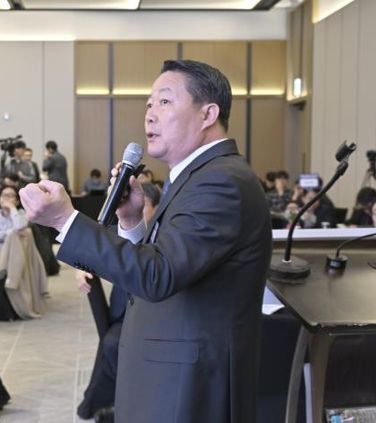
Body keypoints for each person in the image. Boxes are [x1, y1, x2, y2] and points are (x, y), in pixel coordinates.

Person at [20, 60, 272, 422]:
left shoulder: (221, 182)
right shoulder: (194, 177)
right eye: (149, 104)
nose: (150, 115)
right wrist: (132, 221)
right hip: (170, 376)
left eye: (165, 102)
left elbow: (159, 275)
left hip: (190, 390)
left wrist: (64, 219)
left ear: (208, 114)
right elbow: (168, 265)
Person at [76, 181, 161, 421]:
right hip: (122, 314)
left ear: (156, 208)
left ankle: (116, 402)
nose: (135, 211)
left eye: (143, 206)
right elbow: (89, 250)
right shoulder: (120, 231)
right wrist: (80, 268)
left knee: (114, 344)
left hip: (150, 316)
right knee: (114, 343)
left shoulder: (164, 239)